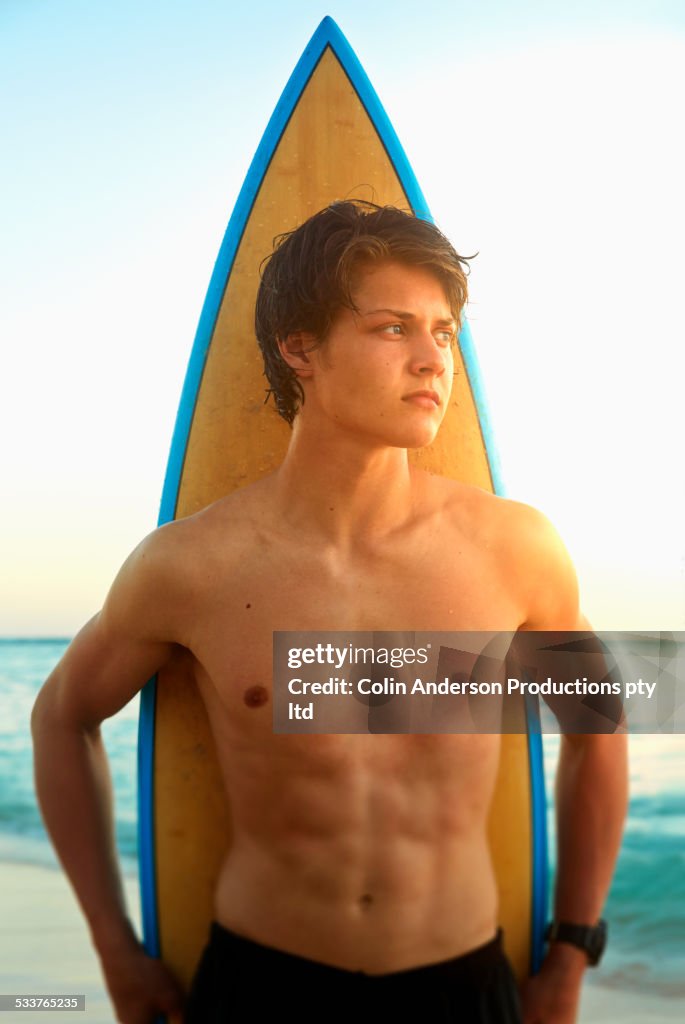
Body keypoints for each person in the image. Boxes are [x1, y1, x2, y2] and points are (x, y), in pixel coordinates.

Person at [31, 201, 628, 1024]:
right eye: (393, 329)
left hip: (461, 983)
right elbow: (61, 717)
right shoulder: (189, 566)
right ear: (298, 347)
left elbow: (599, 725)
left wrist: (570, 952)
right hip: (263, 982)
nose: (431, 361)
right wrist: (113, 948)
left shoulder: (514, 548)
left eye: (444, 333)